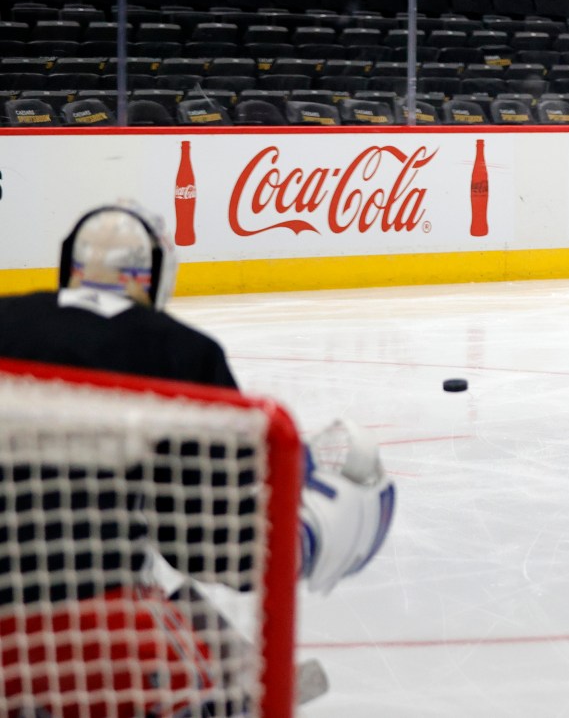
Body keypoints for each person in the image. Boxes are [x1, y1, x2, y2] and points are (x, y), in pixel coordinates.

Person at [0, 203, 395, 716]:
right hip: (97, 644)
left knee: (188, 615)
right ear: (154, 276)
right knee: (211, 650)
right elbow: (204, 546)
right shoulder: (183, 354)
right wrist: (308, 534)